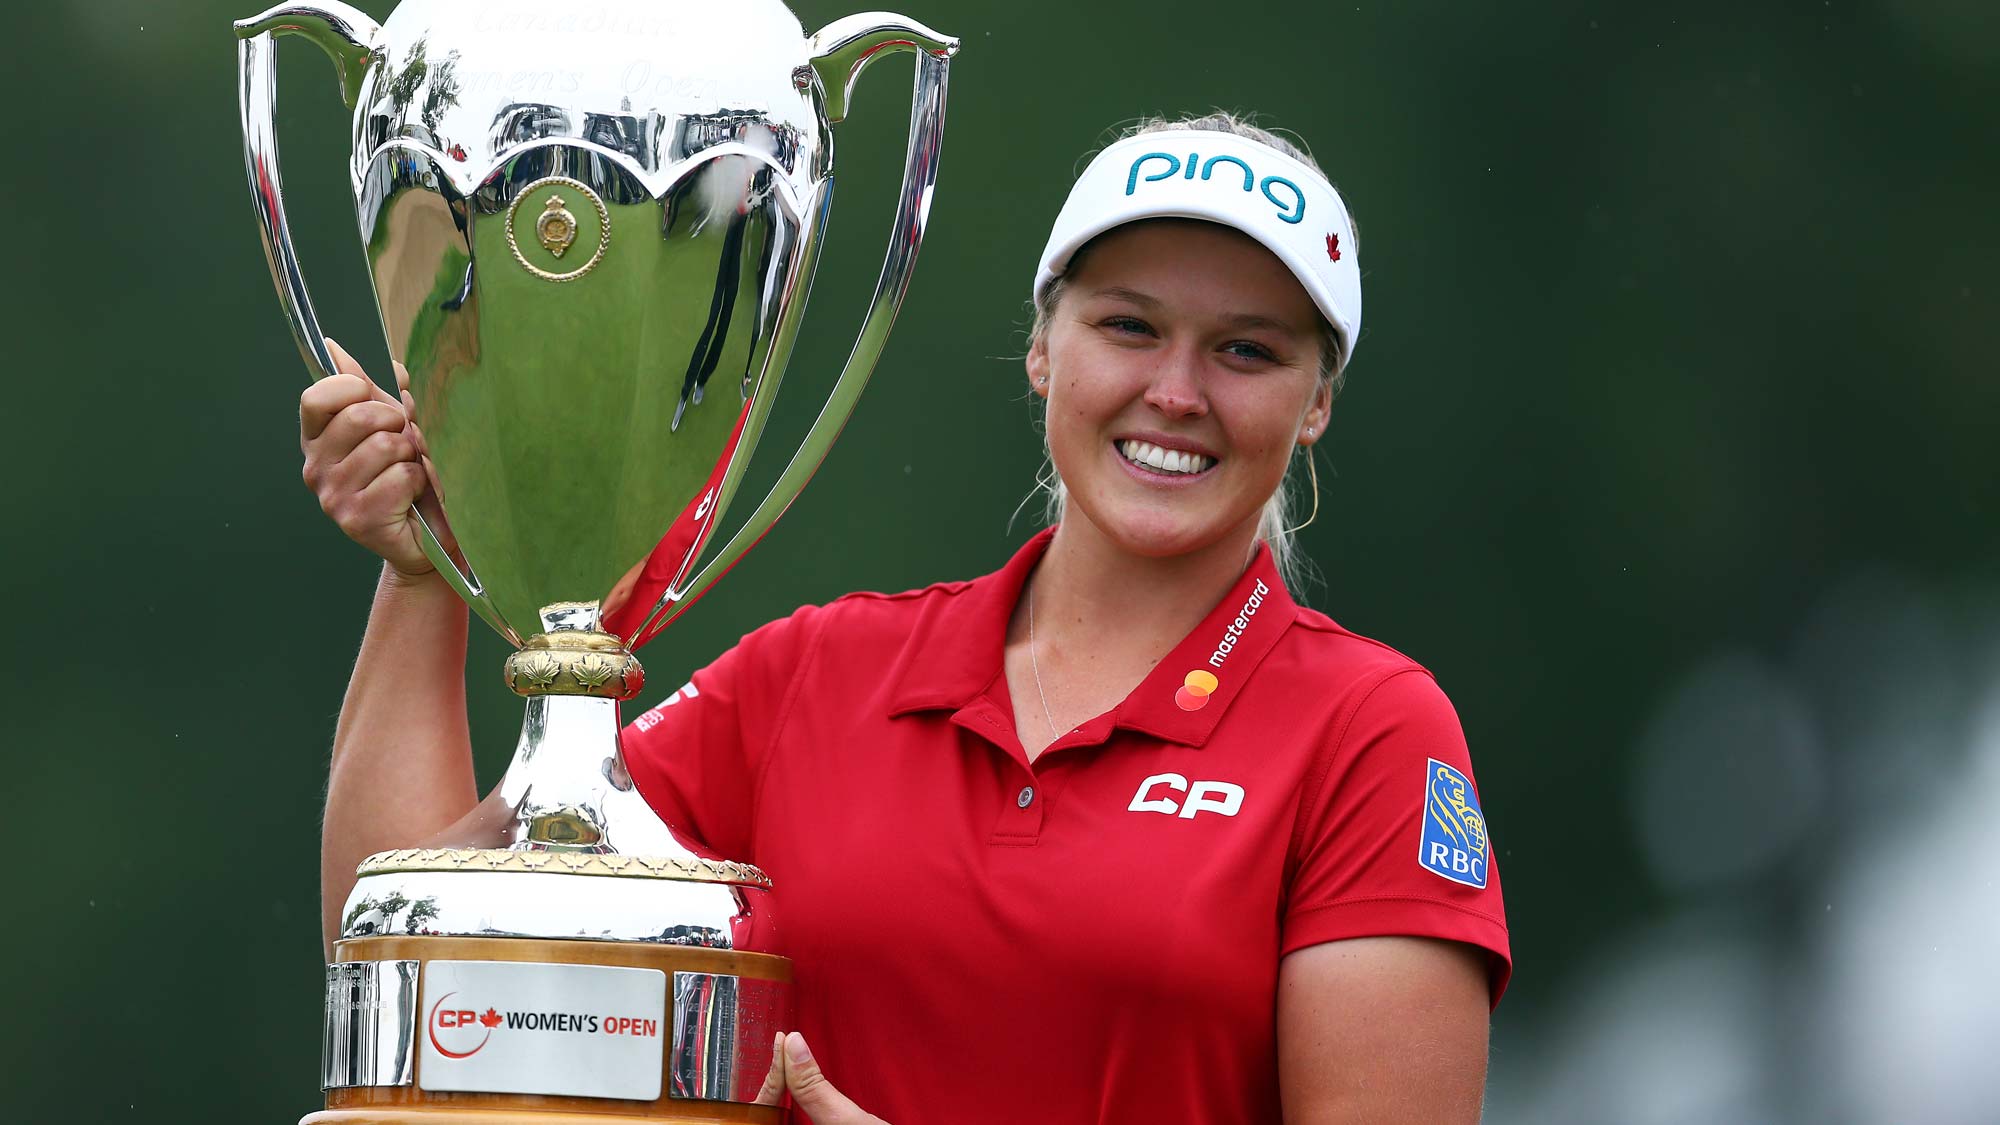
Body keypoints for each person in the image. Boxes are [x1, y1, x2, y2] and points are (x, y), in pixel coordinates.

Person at [300, 112, 1510, 1124]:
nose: (1177, 392)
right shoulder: (824, 674)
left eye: (1246, 351)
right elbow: (406, 953)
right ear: (1042, 350)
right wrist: (425, 578)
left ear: (1314, 406)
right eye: (1127, 326)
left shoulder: (1367, 733)